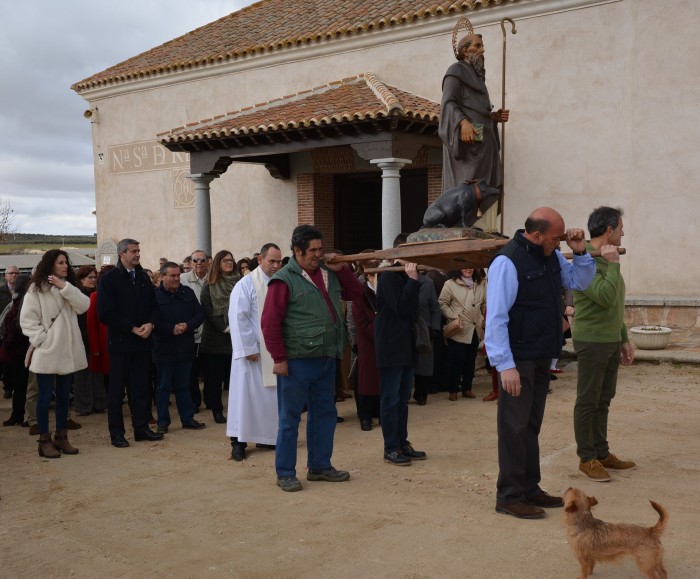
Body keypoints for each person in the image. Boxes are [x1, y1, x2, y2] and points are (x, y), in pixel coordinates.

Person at [485, 207, 595, 519]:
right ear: (536, 235)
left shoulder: (552, 256)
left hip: (540, 355)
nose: (559, 243)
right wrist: (504, 365)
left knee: (530, 426)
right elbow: (496, 317)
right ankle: (509, 496)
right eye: (555, 238)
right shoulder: (507, 262)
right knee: (513, 428)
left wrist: (581, 252)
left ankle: (530, 488)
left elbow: (580, 282)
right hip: (517, 359)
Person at [261, 225, 362, 492]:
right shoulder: (284, 279)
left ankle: (319, 466)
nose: (319, 254)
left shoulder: (330, 274)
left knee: (325, 413)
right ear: (297, 251)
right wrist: (279, 359)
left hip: (327, 356)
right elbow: (270, 323)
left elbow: (356, 294)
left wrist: (343, 270)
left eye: (321, 248)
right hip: (297, 361)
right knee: (290, 418)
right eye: (313, 250)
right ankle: (285, 472)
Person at [573, 206, 635, 482]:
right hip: (592, 340)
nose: (623, 232)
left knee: (604, 400)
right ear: (609, 230)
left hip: (610, 339)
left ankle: (601, 451)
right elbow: (606, 297)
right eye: (620, 227)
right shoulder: (584, 260)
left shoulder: (606, 260)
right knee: (588, 400)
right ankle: (587, 458)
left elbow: (615, 306)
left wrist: (623, 338)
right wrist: (613, 264)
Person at [20, 250, 90, 458]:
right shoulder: (36, 289)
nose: (65, 266)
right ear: (50, 265)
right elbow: (27, 320)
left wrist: (65, 287)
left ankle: (62, 437)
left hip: (67, 351)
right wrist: (42, 340)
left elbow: (84, 306)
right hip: (47, 351)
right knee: (43, 398)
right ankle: (44, 440)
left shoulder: (68, 286)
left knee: (63, 397)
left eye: (66, 262)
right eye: (61, 263)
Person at [98, 238, 162, 448]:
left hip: (143, 343)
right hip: (120, 343)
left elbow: (154, 305)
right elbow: (105, 313)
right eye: (133, 251)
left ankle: (141, 428)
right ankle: (117, 433)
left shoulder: (143, 278)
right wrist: (132, 328)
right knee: (117, 391)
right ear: (121, 254)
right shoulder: (110, 279)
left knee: (141, 387)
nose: (137, 254)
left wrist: (150, 324)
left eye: (138, 251)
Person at [227, 243, 283, 461]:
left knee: (269, 399)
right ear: (260, 259)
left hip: (273, 352)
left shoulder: (281, 282)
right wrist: (248, 348)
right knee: (245, 398)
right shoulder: (246, 284)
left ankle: (266, 437)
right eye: (272, 261)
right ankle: (238, 441)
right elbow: (238, 318)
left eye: (279, 261)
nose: (277, 265)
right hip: (252, 354)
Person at [439, 29, 509, 195]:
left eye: (482, 46)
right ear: (465, 51)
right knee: (469, 190)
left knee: (487, 190)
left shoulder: (478, 78)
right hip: (469, 147)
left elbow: (475, 109)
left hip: (485, 143)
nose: (482, 50)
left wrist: (493, 118)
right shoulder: (455, 72)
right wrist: (462, 123)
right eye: (477, 46)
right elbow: (448, 103)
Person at [374, 260, 426, 466]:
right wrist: (413, 281)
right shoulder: (388, 276)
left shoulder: (405, 278)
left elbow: (413, 311)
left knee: (403, 399)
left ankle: (402, 443)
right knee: (390, 400)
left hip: (406, 347)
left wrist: (413, 281)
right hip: (390, 347)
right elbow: (400, 307)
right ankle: (391, 448)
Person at [151, 262, 206, 433]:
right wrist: (171, 328)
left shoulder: (187, 292)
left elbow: (199, 314)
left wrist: (188, 326)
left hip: (185, 347)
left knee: (184, 385)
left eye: (178, 275)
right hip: (164, 348)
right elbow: (151, 319)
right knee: (163, 387)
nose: (176, 279)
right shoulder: (154, 296)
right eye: (172, 276)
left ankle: (187, 418)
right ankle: (163, 422)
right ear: (162, 277)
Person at [200, 250, 240, 424]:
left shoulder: (241, 282)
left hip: (237, 339)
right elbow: (207, 310)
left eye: (231, 260)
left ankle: (237, 410)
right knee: (214, 379)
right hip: (215, 339)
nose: (229, 263)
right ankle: (217, 410)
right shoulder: (209, 284)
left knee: (235, 379)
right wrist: (225, 328)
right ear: (218, 263)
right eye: (225, 260)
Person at [439, 268, 486, 401]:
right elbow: (442, 303)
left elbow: (484, 304)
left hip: (475, 328)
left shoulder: (480, 283)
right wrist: (454, 317)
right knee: (456, 360)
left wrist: (483, 319)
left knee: (470, 361)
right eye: (465, 266)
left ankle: (467, 388)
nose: (468, 269)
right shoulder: (450, 284)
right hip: (458, 328)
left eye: (471, 266)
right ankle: (453, 389)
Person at [73, 265, 106, 416]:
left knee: (96, 371)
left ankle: (98, 403)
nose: (93, 280)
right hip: (81, 338)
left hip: (95, 337)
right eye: (90, 277)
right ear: (81, 279)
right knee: (83, 374)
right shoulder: (78, 295)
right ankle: (84, 406)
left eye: (95, 277)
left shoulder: (97, 294)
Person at [351, 270, 381, 431]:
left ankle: (381, 413)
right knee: (366, 381)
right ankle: (365, 416)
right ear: (369, 276)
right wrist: (381, 329)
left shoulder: (384, 292)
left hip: (384, 344)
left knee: (382, 381)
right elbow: (360, 323)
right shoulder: (360, 294)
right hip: (368, 344)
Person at [1, 274, 31, 426]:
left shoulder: (17, 302)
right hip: (20, 351)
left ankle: (21, 415)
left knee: (23, 386)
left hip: (20, 351)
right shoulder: (20, 302)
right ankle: (20, 415)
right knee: (23, 385)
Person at [181, 249, 208, 412]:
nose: (199, 263)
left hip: (211, 333)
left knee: (211, 370)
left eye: (202, 260)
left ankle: (211, 400)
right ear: (191, 263)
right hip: (191, 331)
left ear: (208, 262)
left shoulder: (213, 279)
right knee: (191, 371)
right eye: (195, 260)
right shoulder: (183, 280)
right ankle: (194, 401)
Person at [1, 265, 20, 399]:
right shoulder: (1, 291)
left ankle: (18, 387)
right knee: (6, 361)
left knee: (18, 361)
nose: (14, 275)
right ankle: (8, 387)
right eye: (11, 273)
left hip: (19, 331)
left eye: (16, 273)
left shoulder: (23, 291)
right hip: (4, 332)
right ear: (5, 276)